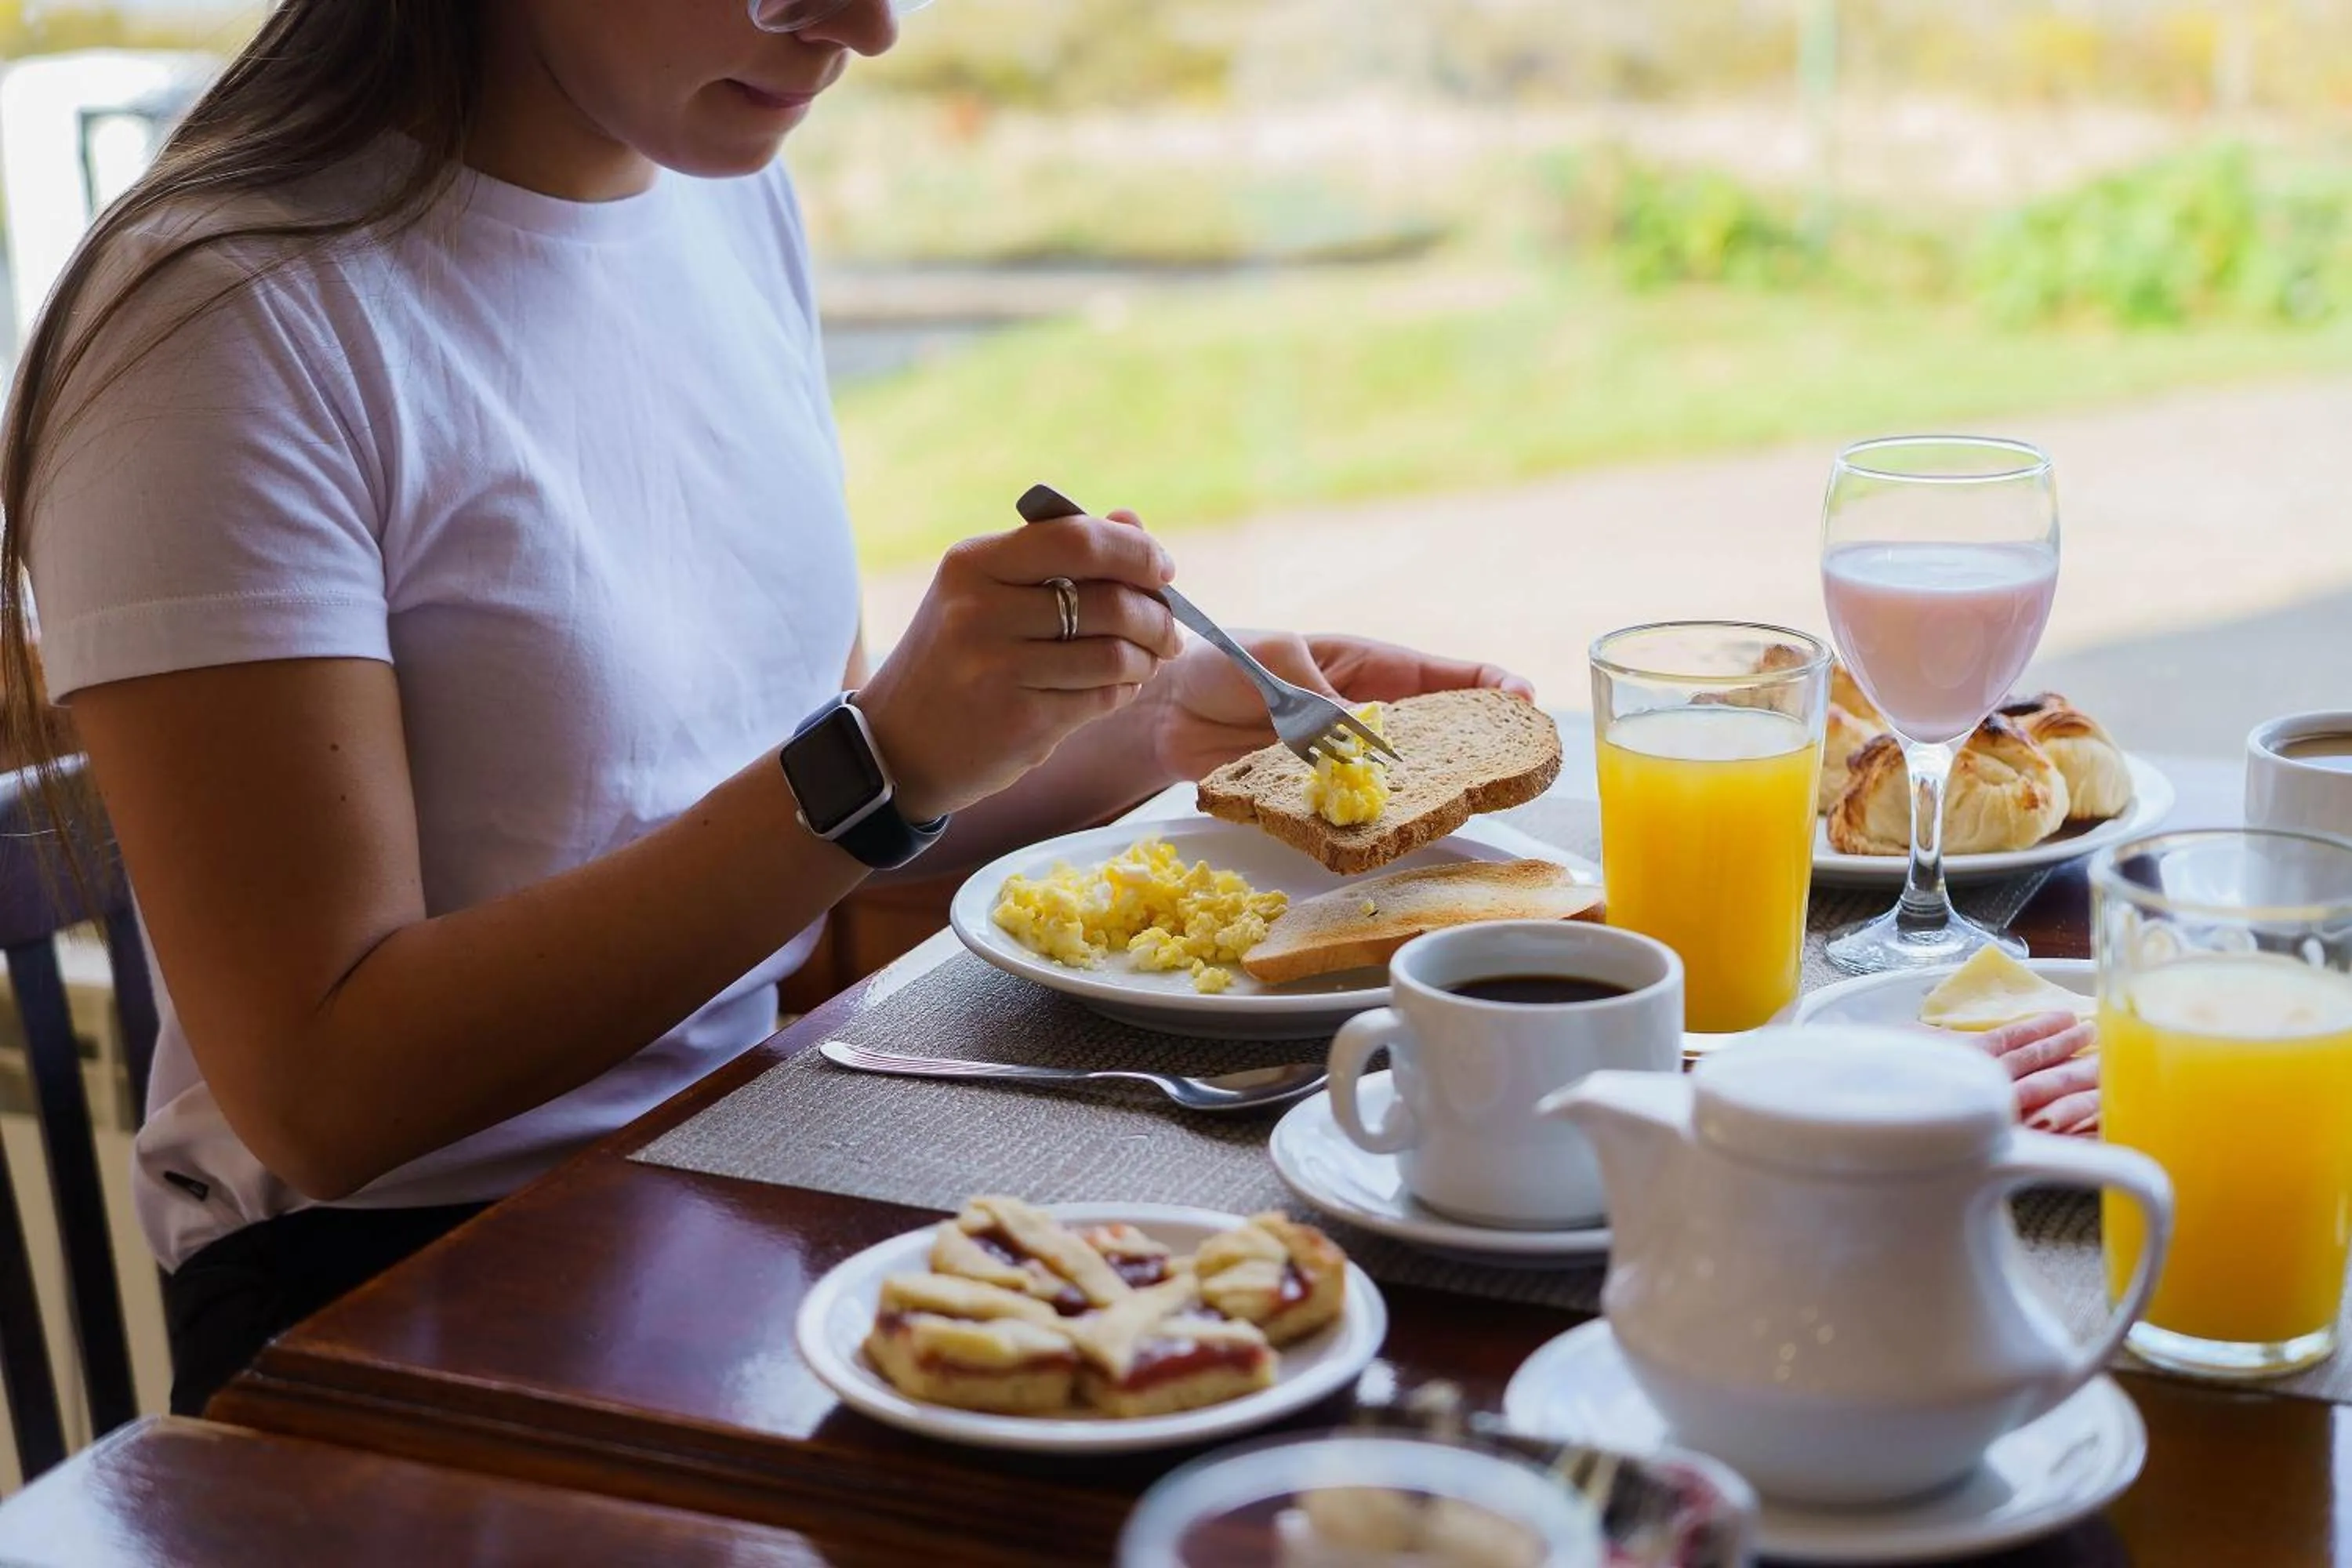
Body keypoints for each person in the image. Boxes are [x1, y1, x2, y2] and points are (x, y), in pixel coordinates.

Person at [0, 0, 1533, 1414]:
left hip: (727, 1175)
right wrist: (876, 765)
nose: (867, 26)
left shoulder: (722, 196)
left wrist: (1137, 733)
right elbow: (321, 1097)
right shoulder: (224, 316)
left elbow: (768, 820)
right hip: (391, 1305)